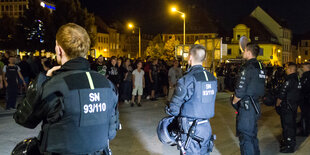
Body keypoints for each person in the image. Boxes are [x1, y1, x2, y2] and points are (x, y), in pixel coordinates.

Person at [13, 23, 120, 155]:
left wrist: (42, 81)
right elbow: (112, 132)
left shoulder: (53, 86)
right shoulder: (108, 85)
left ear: (59, 50)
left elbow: (23, 119)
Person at [166, 45, 217, 155]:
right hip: (206, 127)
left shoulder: (187, 79)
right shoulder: (212, 77)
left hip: (190, 129)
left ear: (190, 57)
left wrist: (170, 112)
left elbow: (174, 107)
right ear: (203, 59)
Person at [232, 43, 265, 155]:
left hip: (247, 106)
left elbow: (240, 89)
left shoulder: (247, 67)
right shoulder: (260, 66)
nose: (243, 52)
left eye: (244, 50)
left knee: (246, 137)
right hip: (256, 104)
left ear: (249, 52)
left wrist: (234, 100)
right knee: (252, 135)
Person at [275, 62, 302, 153]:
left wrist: (277, 104)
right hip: (294, 107)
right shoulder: (297, 79)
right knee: (292, 126)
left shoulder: (288, 80)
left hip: (287, 108)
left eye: (287, 69)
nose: (286, 70)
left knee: (287, 127)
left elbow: (281, 95)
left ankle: (289, 146)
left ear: (290, 70)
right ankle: (290, 142)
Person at [300, 62, 310, 136]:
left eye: (303, 67)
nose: (302, 69)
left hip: (305, 98)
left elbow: (302, 86)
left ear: (307, 67)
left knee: (305, 115)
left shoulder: (306, 76)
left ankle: (305, 131)